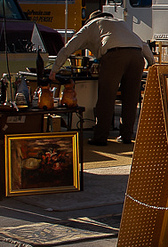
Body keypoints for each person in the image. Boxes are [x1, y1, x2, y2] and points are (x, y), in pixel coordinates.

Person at [50, 11, 155, 146]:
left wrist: (54, 70)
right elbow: (143, 45)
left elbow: (68, 47)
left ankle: (100, 137)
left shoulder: (91, 25)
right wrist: (152, 65)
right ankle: (126, 136)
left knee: (107, 97)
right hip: (137, 56)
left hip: (114, 56)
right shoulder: (120, 23)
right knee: (130, 98)